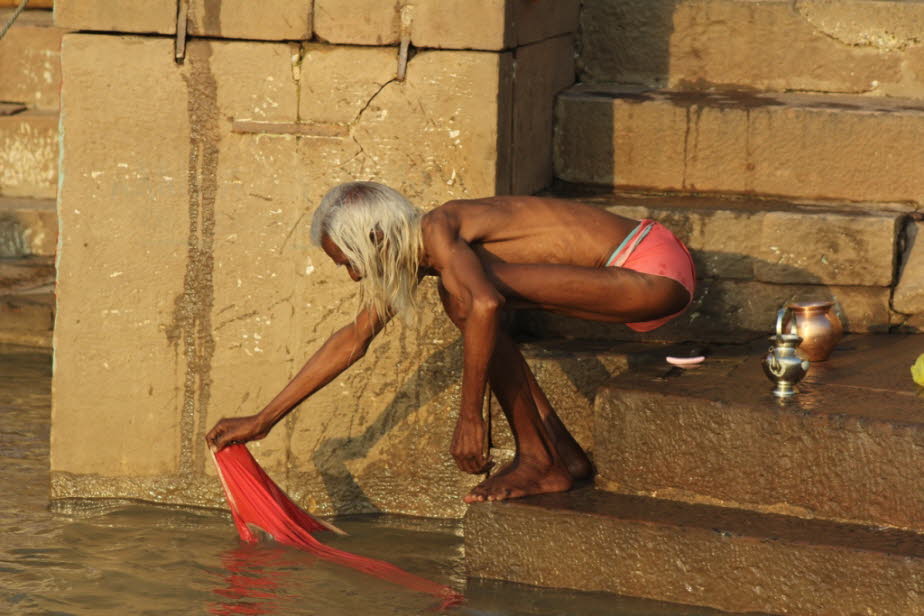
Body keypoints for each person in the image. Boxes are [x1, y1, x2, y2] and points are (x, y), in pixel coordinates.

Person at [206, 181, 695, 503]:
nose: (355, 276)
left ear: (376, 237)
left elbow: (484, 305)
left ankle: (540, 460)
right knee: (464, 293)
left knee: (465, 297)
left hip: (649, 271)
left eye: (351, 261)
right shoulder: (420, 251)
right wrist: (263, 419)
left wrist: (470, 419)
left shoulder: (440, 228)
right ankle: (560, 454)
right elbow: (353, 340)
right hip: (638, 277)